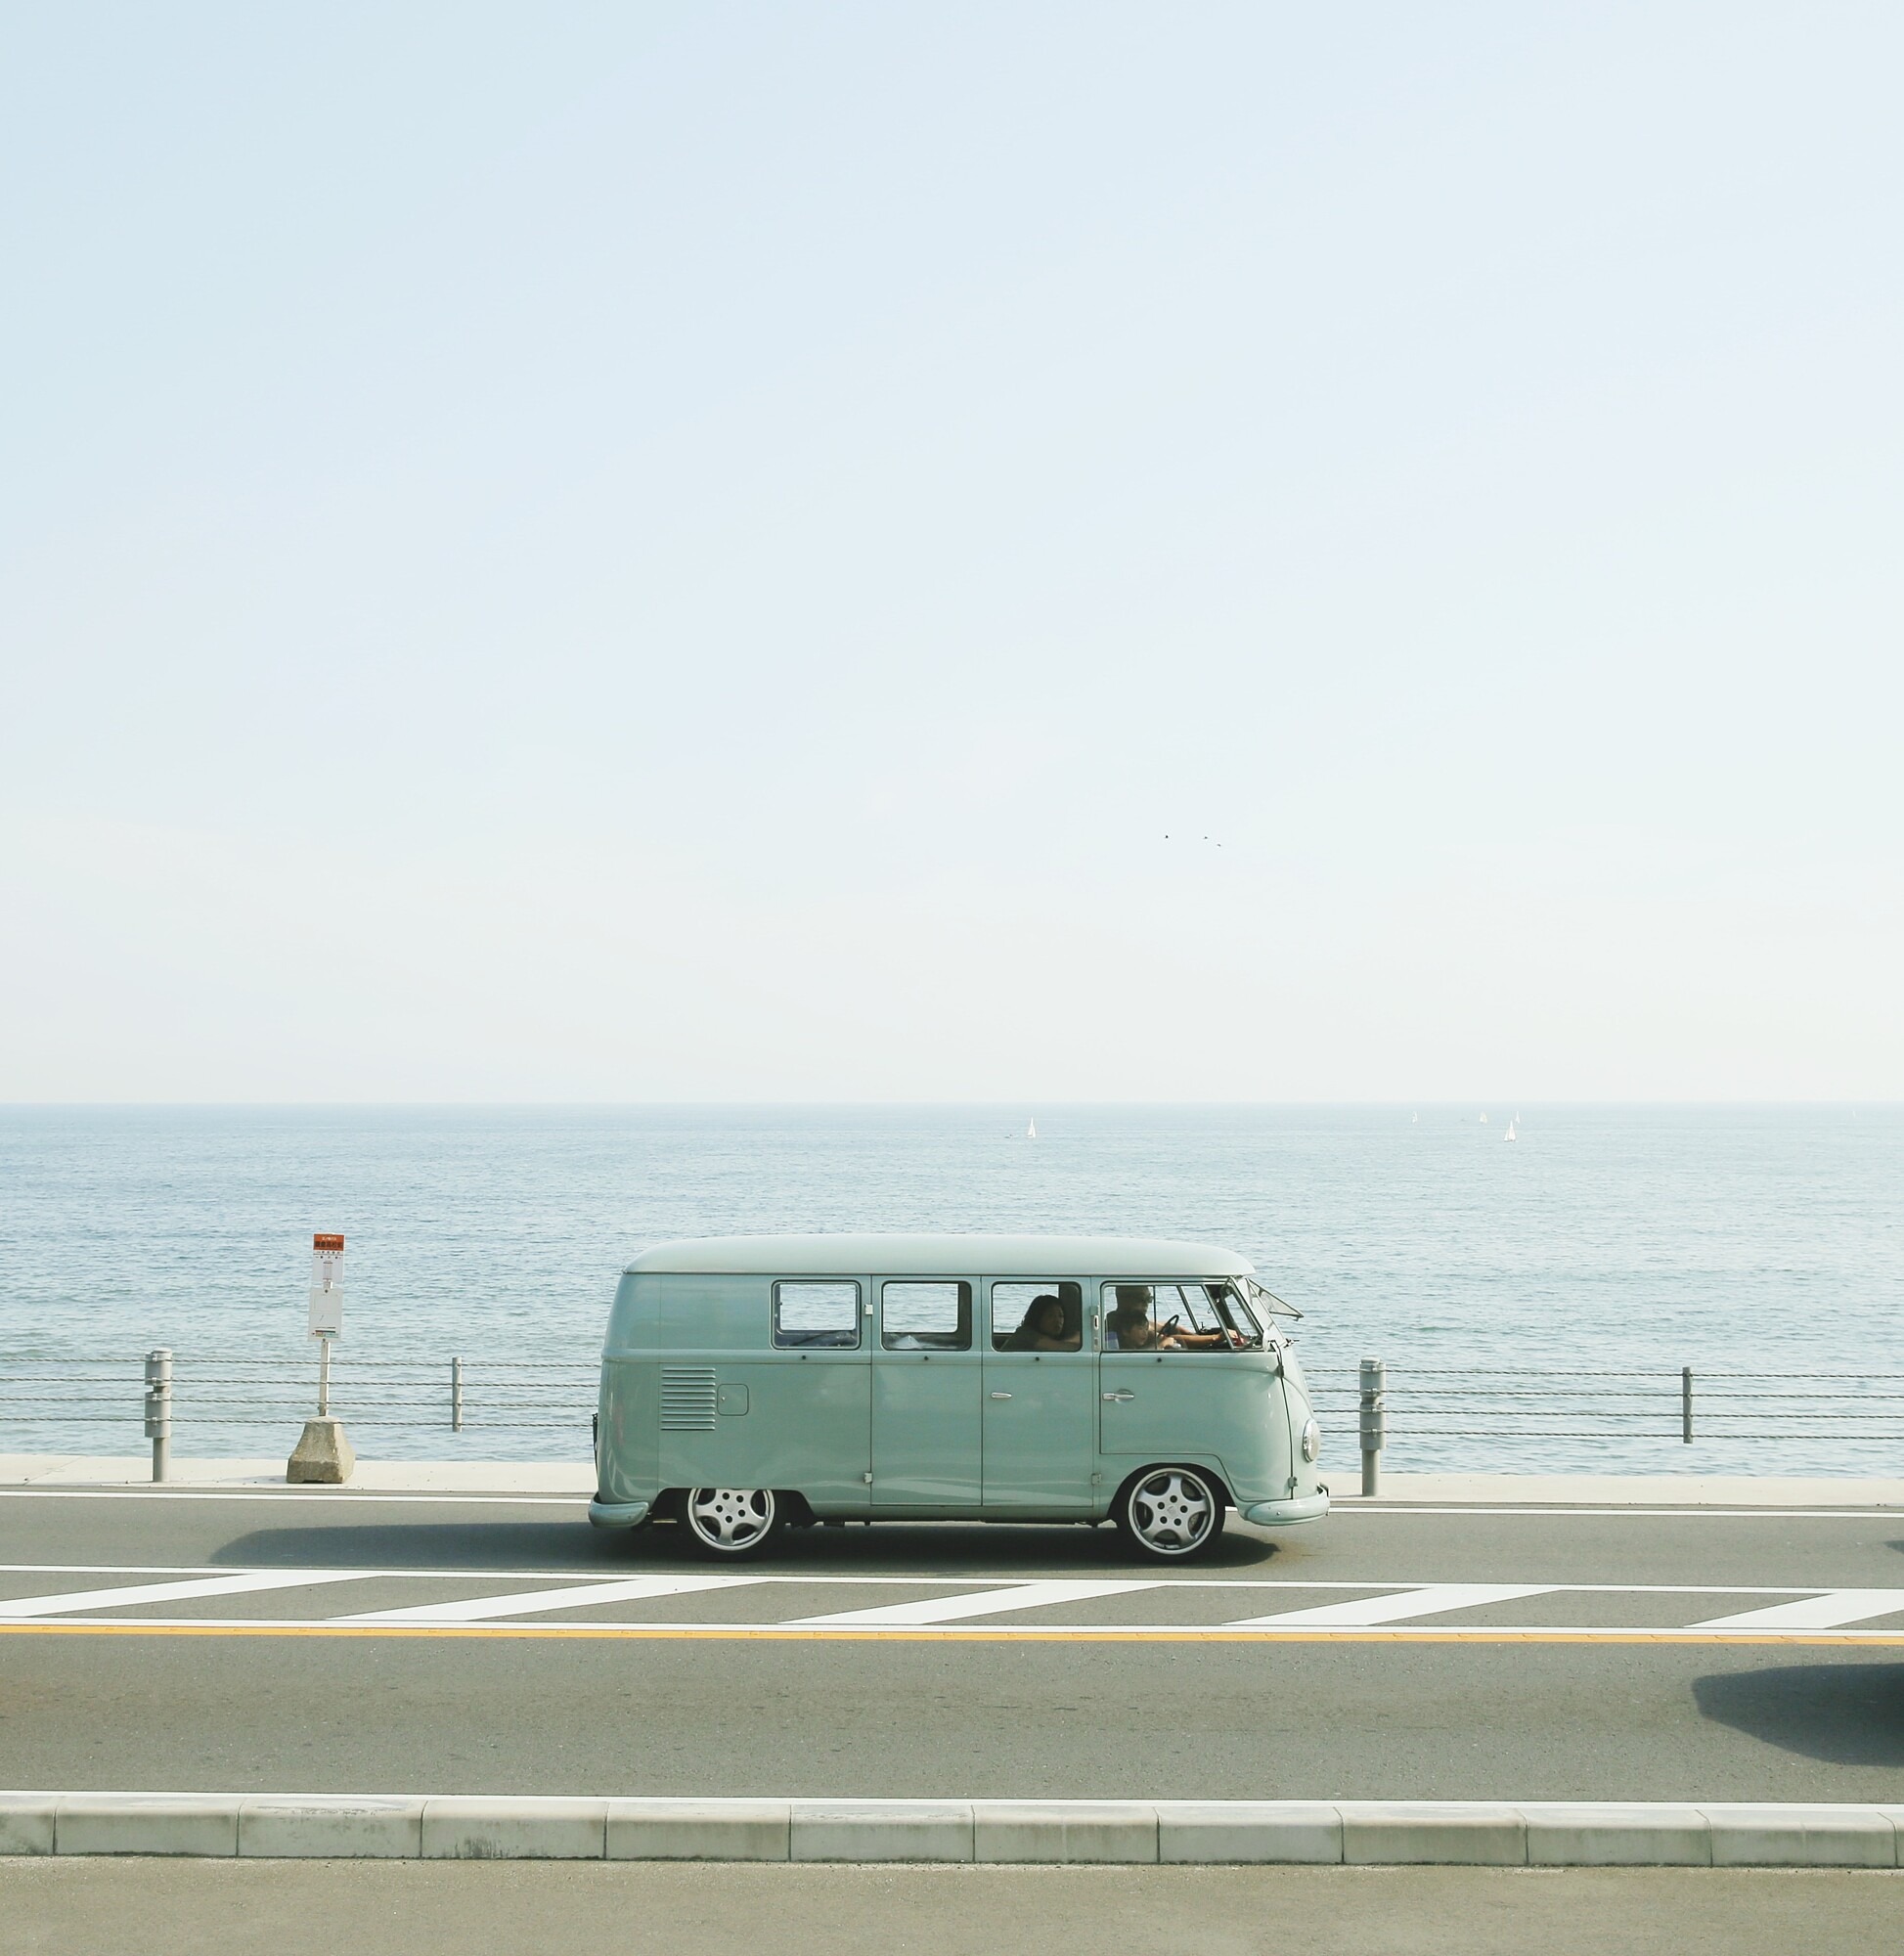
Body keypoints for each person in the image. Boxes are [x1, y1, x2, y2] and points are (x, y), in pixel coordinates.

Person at [1107, 1284, 1237, 1352]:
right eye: (1142, 1299)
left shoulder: (1138, 1320)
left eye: (1149, 1299)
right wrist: (1216, 1338)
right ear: (1124, 1299)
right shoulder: (1118, 1322)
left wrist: (1196, 1336)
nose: (1146, 1304)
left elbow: (1170, 1327)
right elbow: (1172, 1339)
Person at [1005, 1293, 1078, 1352]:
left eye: (1061, 1316)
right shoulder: (1025, 1334)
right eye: (1050, 1315)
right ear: (1037, 1317)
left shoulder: (1049, 1337)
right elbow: (1059, 1347)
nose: (1057, 1320)